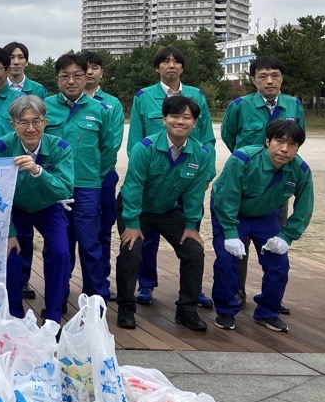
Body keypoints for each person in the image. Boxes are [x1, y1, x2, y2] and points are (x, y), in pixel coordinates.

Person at [114, 96, 215, 332]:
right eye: (174, 116)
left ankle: (186, 309)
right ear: (164, 119)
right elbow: (133, 186)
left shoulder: (201, 154)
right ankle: (126, 307)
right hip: (136, 209)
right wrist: (132, 223)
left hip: (168, 210)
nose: (180, 121)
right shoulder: (145, 148)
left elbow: (194, 194)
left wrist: (190, 226)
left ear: (195, 123)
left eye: (186, 117)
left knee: (194, 251)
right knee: (131, 250)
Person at [128, 46, 215, 308]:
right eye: (165, 62)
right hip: (154, 175)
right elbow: (136, 138)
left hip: (187, 174)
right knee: (148, 235)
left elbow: (207, 138)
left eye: (176, 61)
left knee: (190, 232)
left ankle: (194, 289)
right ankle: (146, 284)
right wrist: (140, 170)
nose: (171, 65)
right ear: (157, 68)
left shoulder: (197, 95)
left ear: (182, 67)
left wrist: (206, 173)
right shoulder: (144, 97)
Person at [210, 120, 313, 333]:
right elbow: (227, 196)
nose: (284, 149)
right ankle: (226, 310)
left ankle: (268, 311)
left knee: (279, 264)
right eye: (279, 141)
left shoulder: (301, 170)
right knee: (227, 261)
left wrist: (287, 236)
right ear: (267, 141)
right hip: (230, 212)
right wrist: (230, 231)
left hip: (265, 217)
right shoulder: (243, 159)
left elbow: (305, 206)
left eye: (292, 145)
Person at [220, 55, 306, 310]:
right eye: (263, 76)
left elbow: (298, 136)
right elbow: (229, 135)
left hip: (277, 182)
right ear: (254, 80)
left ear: (282, 79)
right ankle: (236, 291)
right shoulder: (239, 105)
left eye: (275, 76)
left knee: (275, 239)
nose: (269, 81)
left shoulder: (294, 105)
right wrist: (247, 160)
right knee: (239, 242)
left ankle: (272, 297)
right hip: (246, 180)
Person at [0, 96, 74, 323]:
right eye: (23, 122)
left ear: (45, 122)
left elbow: (65, 188)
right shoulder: (1, 148)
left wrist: (38, 171)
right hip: (13, 209)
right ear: (13, 124)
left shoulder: (60, 147)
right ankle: (14, 317)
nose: (30, 128)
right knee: (10, 253)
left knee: (61, 252)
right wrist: (9, 232)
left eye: (36, 121)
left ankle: (54, 316)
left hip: (49, 207)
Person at [43, 53, 118, 303]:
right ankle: (57, 299)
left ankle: (95, 301)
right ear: (57, 79)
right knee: (58, 248)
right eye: (65, 76)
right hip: (55, 188)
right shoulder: (44, 107)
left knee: (90, 245)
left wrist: (95, 176)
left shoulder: (100, 110)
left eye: (77, 75)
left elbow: (108, 149)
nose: (71, 81)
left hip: (87, 188)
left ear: (86, 78)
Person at [83, 51, 126, 291]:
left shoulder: (112, 104)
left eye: (95, 67)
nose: (89, 72)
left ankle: (100, 285)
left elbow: (112, 144)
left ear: (102, 72)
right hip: (71, 178)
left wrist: (96, 175)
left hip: (103, 177)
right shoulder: (64, 102)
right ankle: (63, 288)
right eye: (85, 67)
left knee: (102, 231)